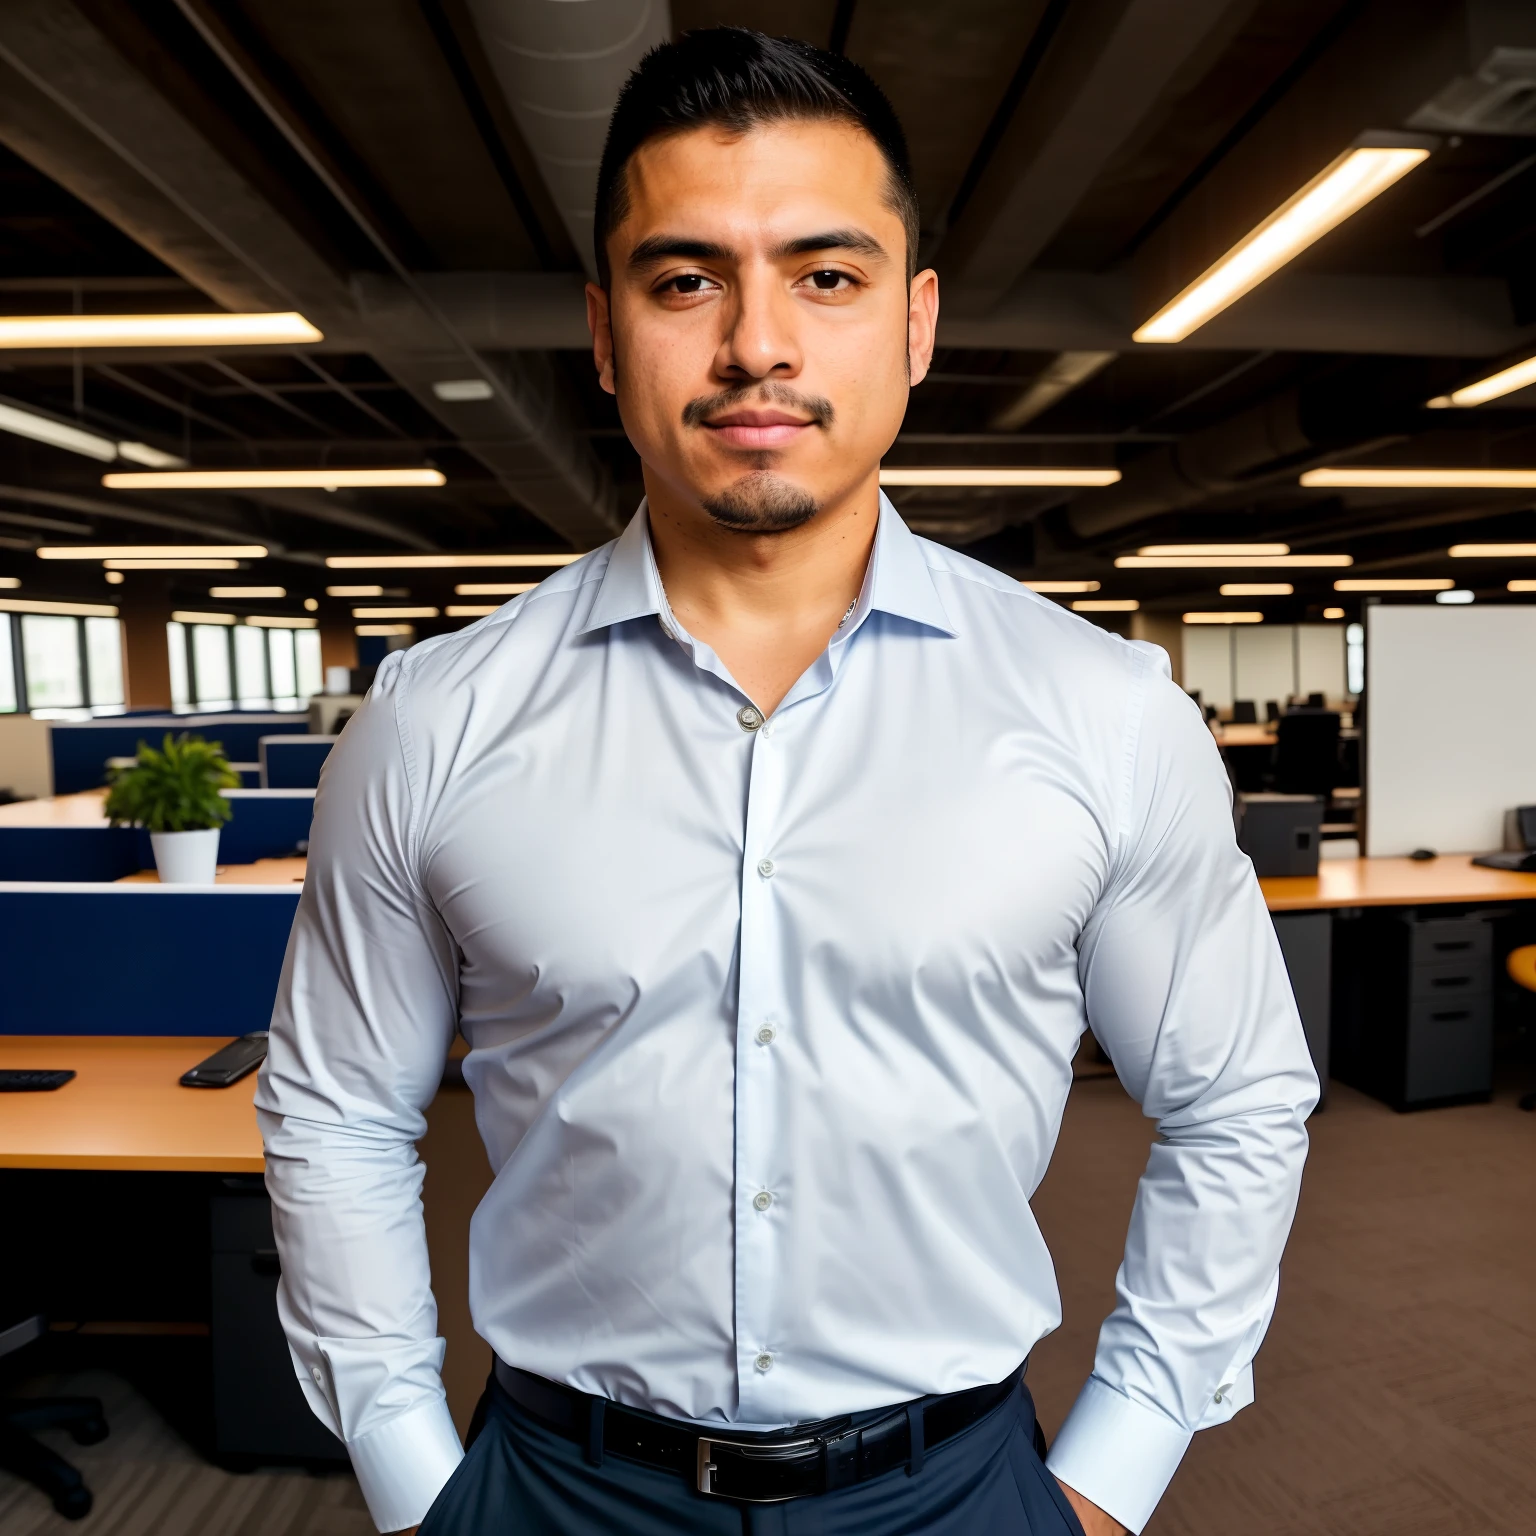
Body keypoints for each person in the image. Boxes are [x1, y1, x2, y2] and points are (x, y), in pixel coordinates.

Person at [257, 28, 1317, 1536]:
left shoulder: (1098, 710)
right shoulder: (435, 719)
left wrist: (1112, 1473)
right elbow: (336, 1106)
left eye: (827, 276)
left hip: (956, 1490)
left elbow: (1239, 1099)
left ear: (916, 322)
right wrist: (413, 1474)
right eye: (686, 279)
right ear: (607, 333)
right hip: (556, 1491)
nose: (758, 342)